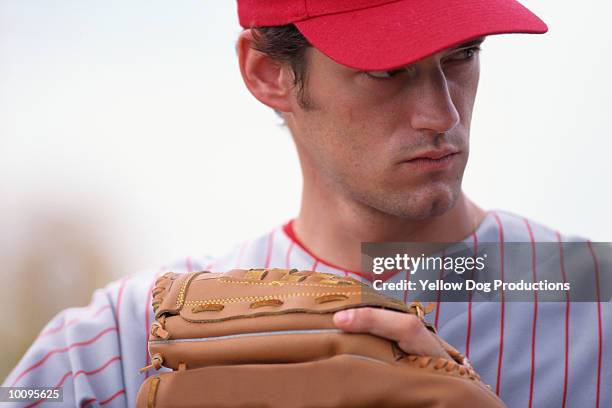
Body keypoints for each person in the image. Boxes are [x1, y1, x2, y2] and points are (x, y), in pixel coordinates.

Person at [4, 1, 610, 407]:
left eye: (462, 55)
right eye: (386, 71)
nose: (442, 115)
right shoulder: (118, 343)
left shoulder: (597, 303)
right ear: (268, 72)